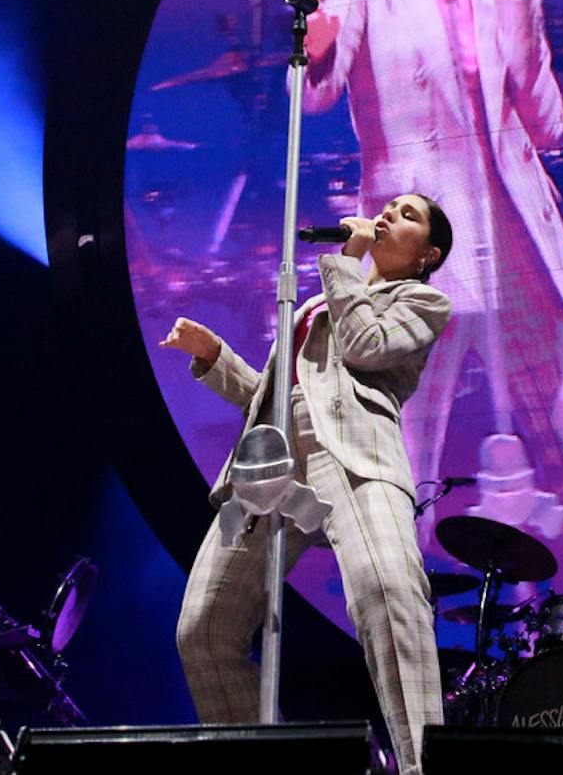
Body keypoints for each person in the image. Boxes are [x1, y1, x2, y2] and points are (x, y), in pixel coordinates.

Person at [302, 0, 563, 582]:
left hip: (522, 251)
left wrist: (518, 6)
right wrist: (306, 49)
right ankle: (398, 649)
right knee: (398, 475)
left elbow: (547, 124)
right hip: (420, 258)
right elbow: (314, 92)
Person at [167, 194, 453, 775]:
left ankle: (423, 768)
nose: (389, 213)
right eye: (389, 205)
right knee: (203, 628)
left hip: (352, 452)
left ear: (428, 254)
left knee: (387, 589)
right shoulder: (322, 301)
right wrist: (216, 357)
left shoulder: (421, 300)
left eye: (408, 215)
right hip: (269, 465)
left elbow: (365, 347)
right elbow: (273, 401)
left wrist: (349, 258)